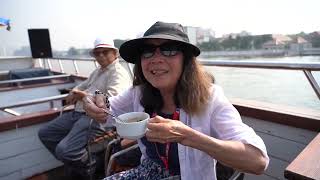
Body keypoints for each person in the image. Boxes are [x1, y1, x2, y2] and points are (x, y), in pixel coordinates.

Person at [84, 21, 269, 180]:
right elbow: (108, 112)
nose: (156, 59)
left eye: (169, 50)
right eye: (148, 51)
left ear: (186, 60)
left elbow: (257, 161)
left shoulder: (210, 98)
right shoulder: (138, 93)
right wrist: (96, 97)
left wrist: (186, 136)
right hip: (147, 172)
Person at [38, 37, 131, 179]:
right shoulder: (98, 71)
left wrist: (82, 95)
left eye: (105, 52)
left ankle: (91, 165)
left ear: (115, 54)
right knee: (45, 133)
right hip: (79, 112)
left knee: (64, 151)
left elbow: (112, 100)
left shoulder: (117, 73)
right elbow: (83, 85)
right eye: (97, 53)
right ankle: (78, 164)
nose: (100, 56)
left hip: (96, 117)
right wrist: (74, 91)